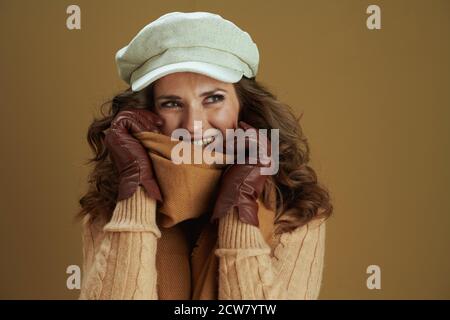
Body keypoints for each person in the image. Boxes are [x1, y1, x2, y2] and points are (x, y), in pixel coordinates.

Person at [77, 11, 333, 300]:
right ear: (147, 114)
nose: (194, 125)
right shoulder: (110, 208)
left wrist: (240, 208)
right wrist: (136, 191)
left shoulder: (297, 209)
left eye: (213, 98)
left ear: (244, 106)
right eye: (172, 103)